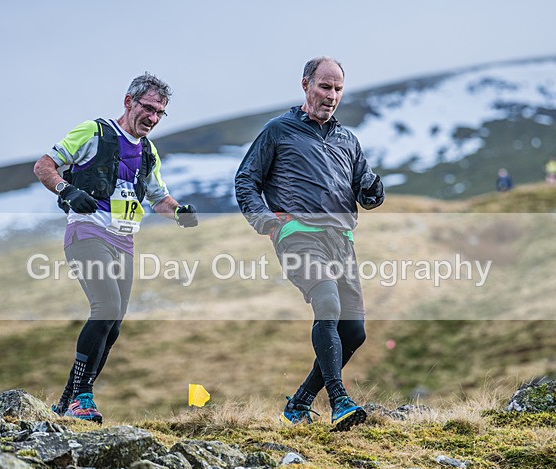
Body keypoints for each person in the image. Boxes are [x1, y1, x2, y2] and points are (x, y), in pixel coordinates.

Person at [34, 73, 198, 423]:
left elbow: (159, 199)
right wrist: (67, 190)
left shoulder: (148, 152)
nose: (153, 118)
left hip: (124, 242)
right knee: (105, 307)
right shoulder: (94, 132)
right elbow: (44, 166)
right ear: (129, 102)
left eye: (160, 113)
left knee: (114, 326)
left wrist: (180, 212)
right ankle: (82, 398)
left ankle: (66, 403)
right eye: (148, 108)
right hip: (87, 232)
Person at [235, 57, 385, 431]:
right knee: (327, 303)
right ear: (306, 85)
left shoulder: (347, 140)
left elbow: (367, 192)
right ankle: (339, 400)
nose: (331, 96)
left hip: (341, 240)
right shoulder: (278, 131)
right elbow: (245, 180)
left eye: (337, 89)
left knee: (354, 332)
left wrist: (373, 191)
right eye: (324, 87)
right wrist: (264, 220)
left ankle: (299, 403)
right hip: (298, 234)